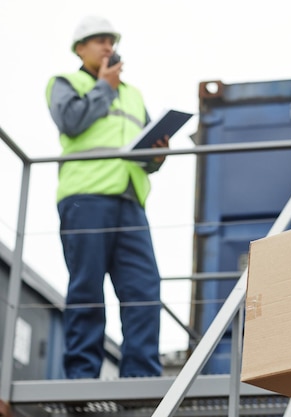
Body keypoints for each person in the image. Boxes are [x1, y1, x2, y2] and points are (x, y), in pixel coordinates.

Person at [45, 16, 167, 379]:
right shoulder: (65, 83)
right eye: (98, 40)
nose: (107, 47)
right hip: (86, 199)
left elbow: (142, 154)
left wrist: (158, 154)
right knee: (86, 288)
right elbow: (70, 121)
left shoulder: (134, 94)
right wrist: (103, 87)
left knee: (144, 290)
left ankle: (141, 376)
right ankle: (81, 375)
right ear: (79, 49)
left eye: (111, 41)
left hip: (130, 201)